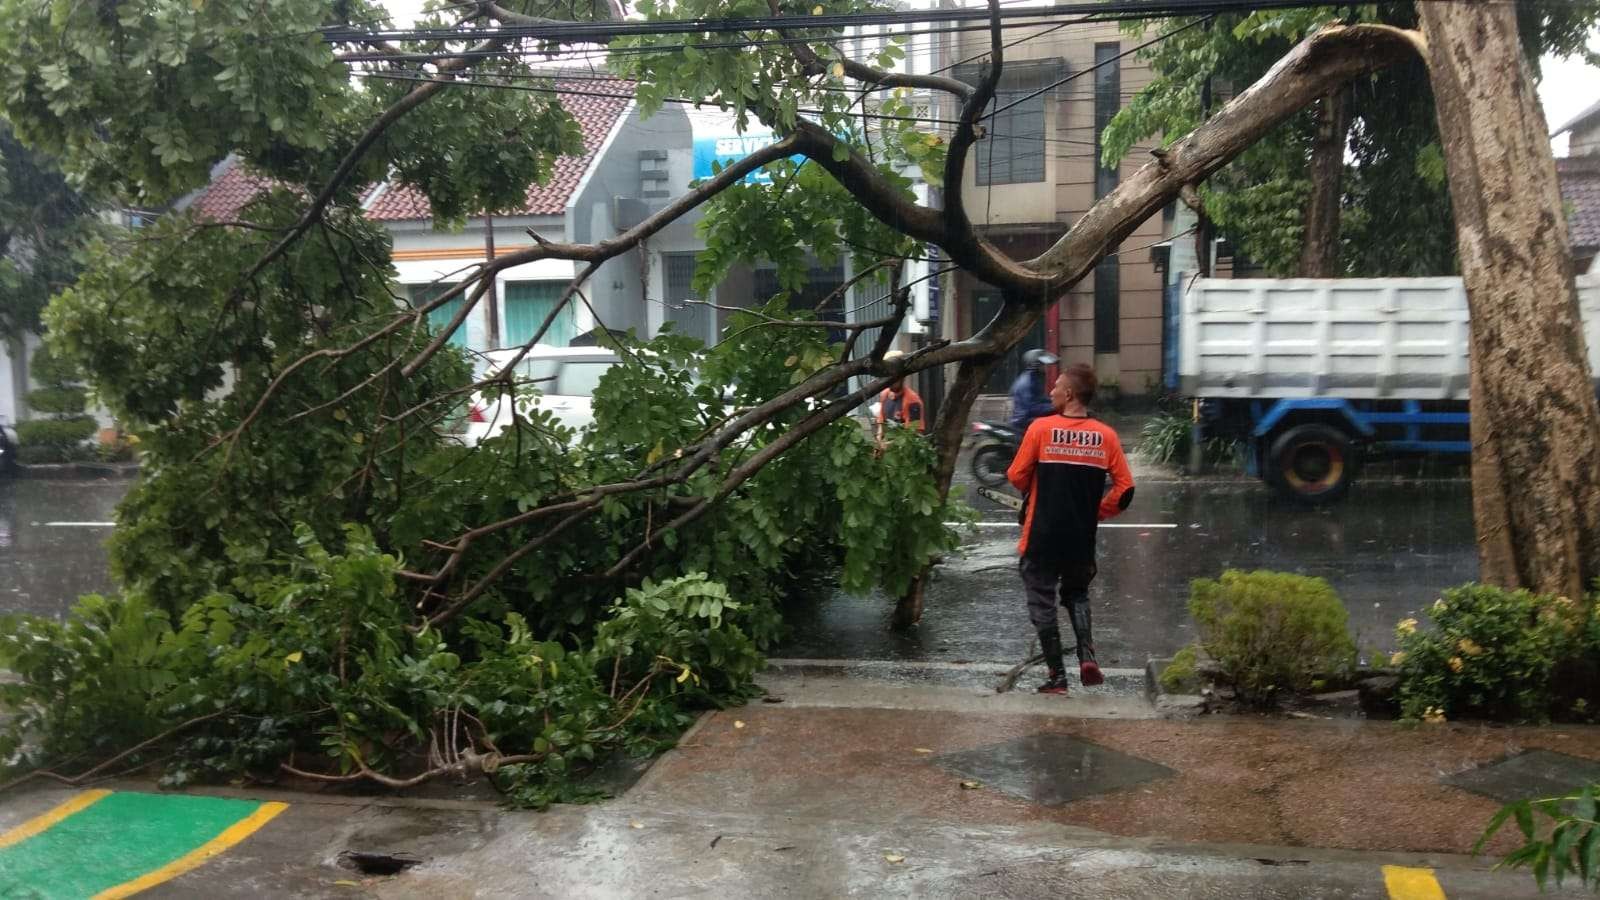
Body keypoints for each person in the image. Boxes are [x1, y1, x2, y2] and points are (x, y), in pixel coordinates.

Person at [1005, 363, 1135, 695]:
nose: (1050, 392)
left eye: (1056, 386)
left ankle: (1057, 677)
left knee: (1041, 601)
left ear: (1070, 393)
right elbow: (1125, 490)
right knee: (1076, 593)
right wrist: (1096, 512)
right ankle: (1087, 656)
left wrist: (1034, 489)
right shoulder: (1106, 436)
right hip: (1081, 539)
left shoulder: (1040, 429)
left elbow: (1016, 475)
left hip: (1041, 537)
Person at [874, 349, 926, 444]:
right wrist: (879, 439)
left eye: (893, 377)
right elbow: (881, 422)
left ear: (902, 376)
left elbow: (912, 436)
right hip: (888, 449)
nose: (890, 382)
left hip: (905, 451)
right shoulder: (884, 395)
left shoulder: (912, 401)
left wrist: (886, 445)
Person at [1009, 349, 1060, 433]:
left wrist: (1057, 401)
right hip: (1024, 420)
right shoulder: (1028, 382)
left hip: (1030, 416)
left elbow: (1040, 399)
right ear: (1036, 365)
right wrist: (1054, 407)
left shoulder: (1034, 379)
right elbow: (1031, 407)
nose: (1045, 367)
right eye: (1043, 365)